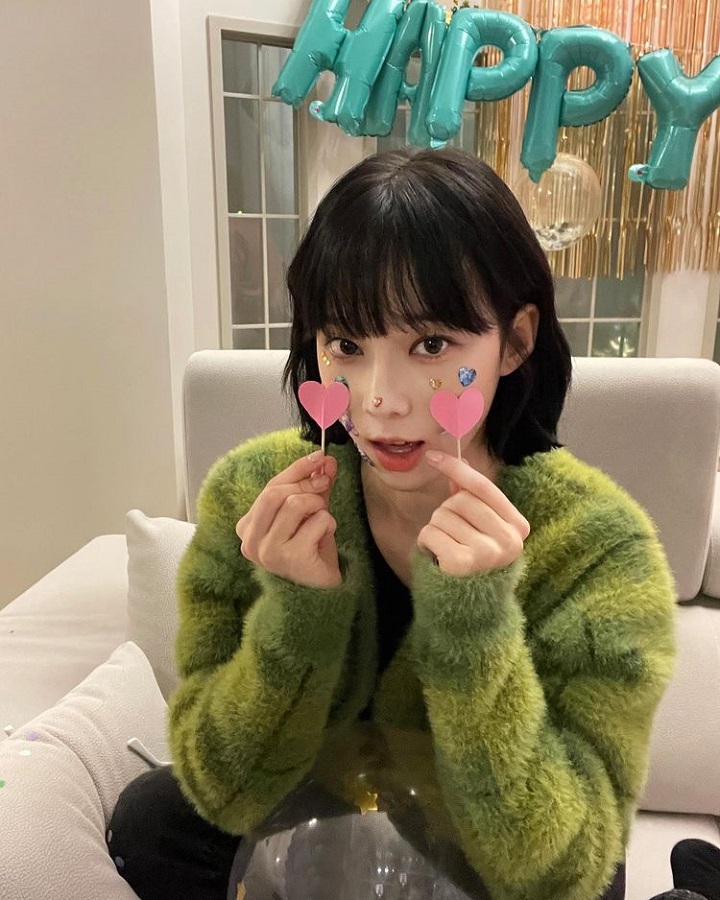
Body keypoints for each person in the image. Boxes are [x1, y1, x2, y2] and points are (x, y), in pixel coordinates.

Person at [107, 148, 676, 900]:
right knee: (151, 819)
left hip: (488, 850)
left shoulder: (600, 546)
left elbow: (562, 865)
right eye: (346, 345)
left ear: (515, 340)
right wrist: (297, 617)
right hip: (305, 835)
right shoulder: (253, 494)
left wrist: (476, 631)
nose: (381, 400)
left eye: (431, 344)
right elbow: (222, 790)